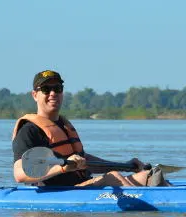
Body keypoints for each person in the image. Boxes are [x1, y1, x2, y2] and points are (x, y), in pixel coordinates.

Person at [12, 69, 166, 187]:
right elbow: (20, 174)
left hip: (84, 186)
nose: (53, 93)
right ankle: (147, 208)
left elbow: (85, 161)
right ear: (34, 95)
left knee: (149, 175)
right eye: (46, 89)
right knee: (113, 176)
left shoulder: (63, 125)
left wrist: (126, 166)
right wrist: (63, 168)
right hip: (58, 192)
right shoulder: (29, 130)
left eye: (57, 88)